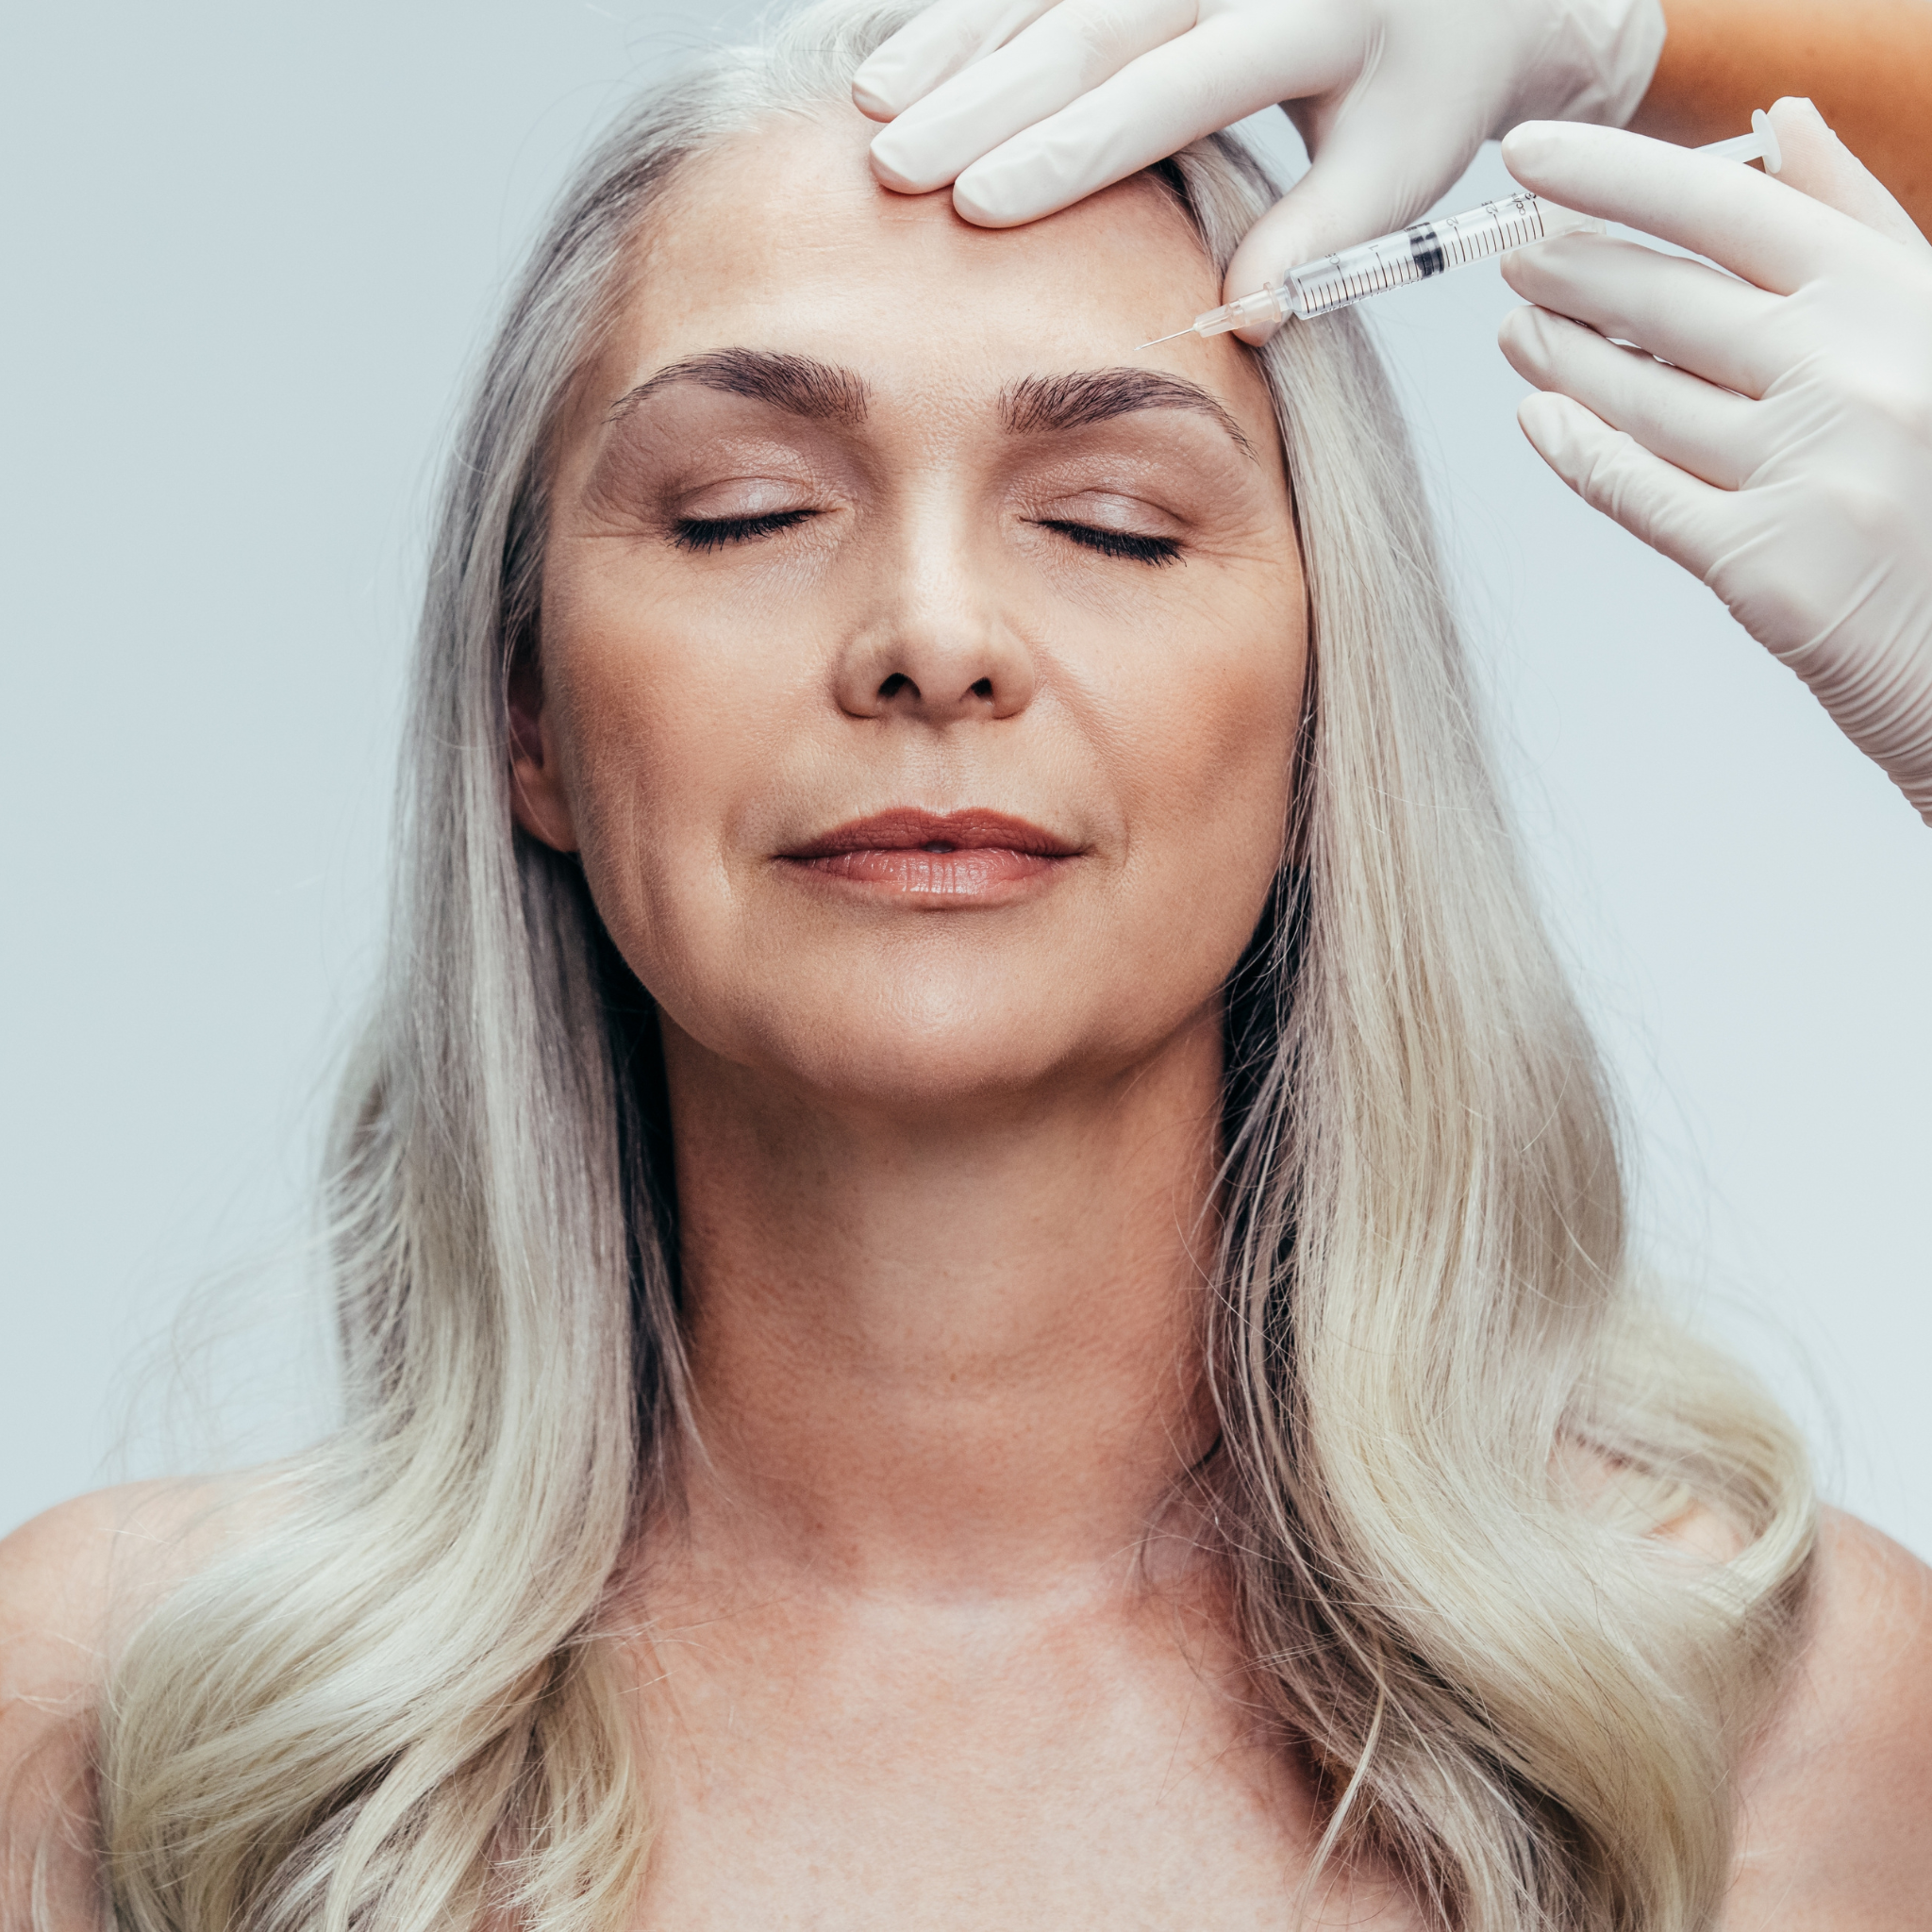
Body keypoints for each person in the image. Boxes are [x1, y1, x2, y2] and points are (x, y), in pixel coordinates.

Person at [1, 4, 1927, 1930]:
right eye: (747, 511)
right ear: (530, 717)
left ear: (1327, 712)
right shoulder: (127, 1732)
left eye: (1113, 524)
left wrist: (1650, 27)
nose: (933, 636)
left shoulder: (1756, 1712)